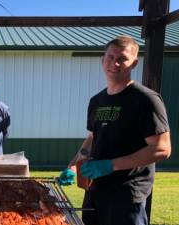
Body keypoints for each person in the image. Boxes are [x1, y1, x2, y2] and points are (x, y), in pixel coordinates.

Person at [58, 36, 171, 225]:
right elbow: (92, 138)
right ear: (102, 60)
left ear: (134, 63)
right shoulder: (97, 101)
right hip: (95, 192)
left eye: (122, 59)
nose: (115, 63)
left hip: (127, 197)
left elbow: (162, 149)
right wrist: (72, 165)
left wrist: (111, 165)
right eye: (110, 57)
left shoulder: (146, 99)